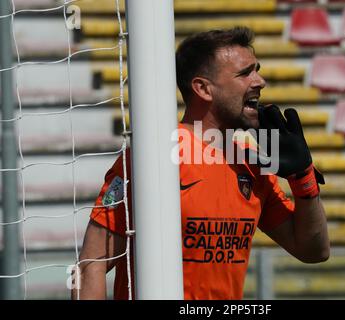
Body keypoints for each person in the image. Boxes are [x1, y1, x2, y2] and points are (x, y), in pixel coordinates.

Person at [72, 26, 329, 300]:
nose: (260, 81)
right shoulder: (154, 156)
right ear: (203, 89)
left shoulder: (251, 161)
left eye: (257, 70)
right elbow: (91, 266)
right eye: (245, 73)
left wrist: (303, 179)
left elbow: (314, 251)